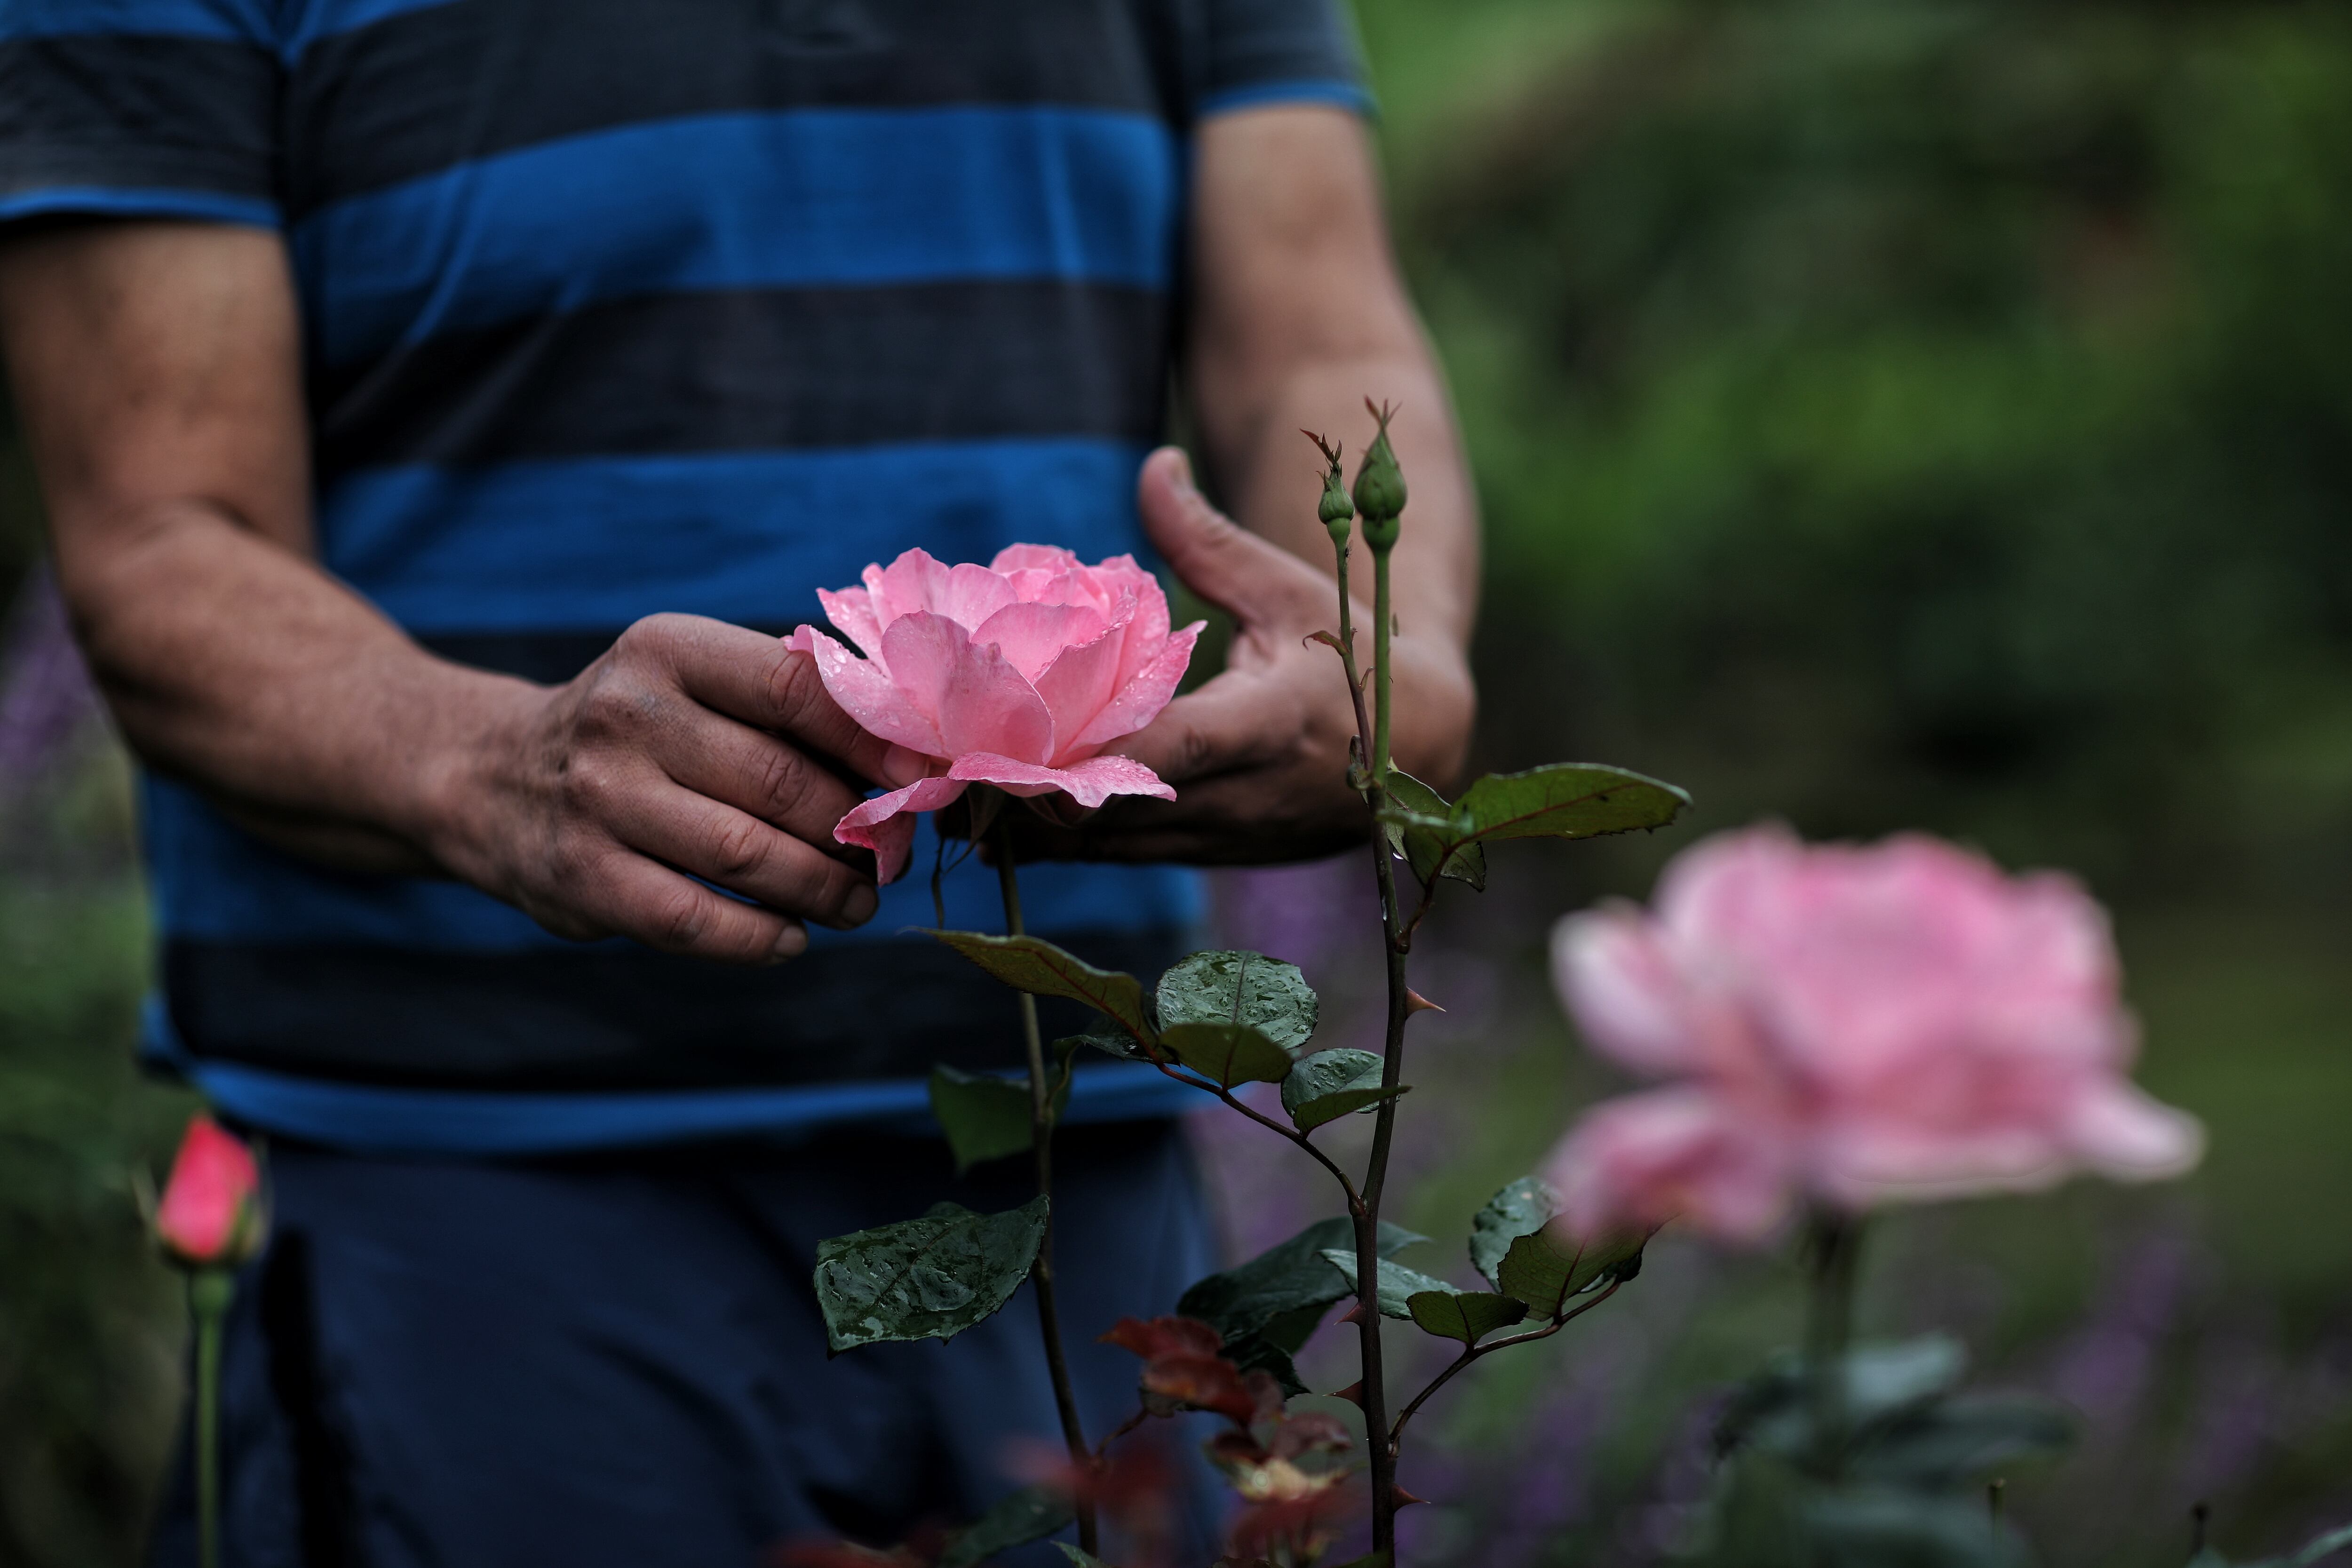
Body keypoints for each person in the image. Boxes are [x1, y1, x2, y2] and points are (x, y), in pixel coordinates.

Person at [0, 1, 1478, 1562]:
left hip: (1075, 1151)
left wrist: (1398, 659)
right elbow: (165, 539)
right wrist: (493, 766)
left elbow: (1327, 342)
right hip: (471, 1205)